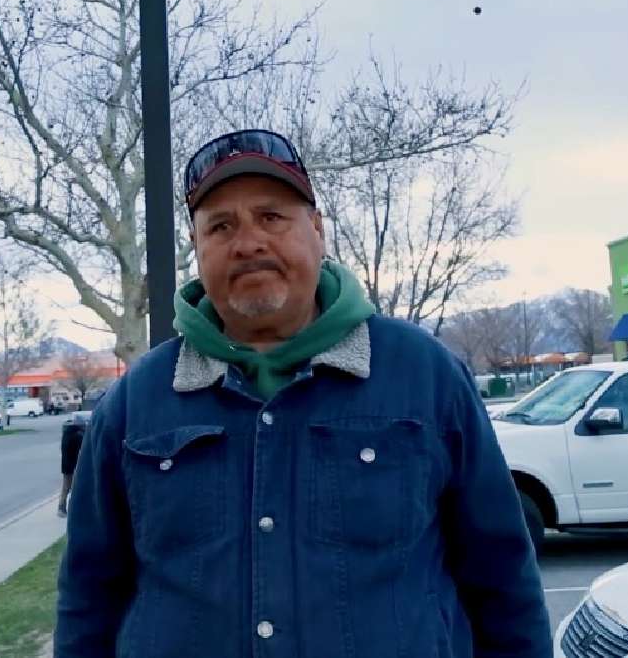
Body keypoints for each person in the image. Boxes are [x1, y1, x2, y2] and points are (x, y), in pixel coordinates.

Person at [55, 129, 550, 657]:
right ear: (198, 249)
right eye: (220, 226)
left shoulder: (424, 375)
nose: (248, 242)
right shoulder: (134, 404)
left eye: (271, 217)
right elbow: (89, 597)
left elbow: (502, 579)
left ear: (316, 229)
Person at [57, 415, 86, 517]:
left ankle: (64, 508)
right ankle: (62, 508)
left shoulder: (67, 434)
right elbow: (83, 448)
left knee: (67, 486)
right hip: (70, 465)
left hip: (66, 464)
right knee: (67, 487)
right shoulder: (77, 436)